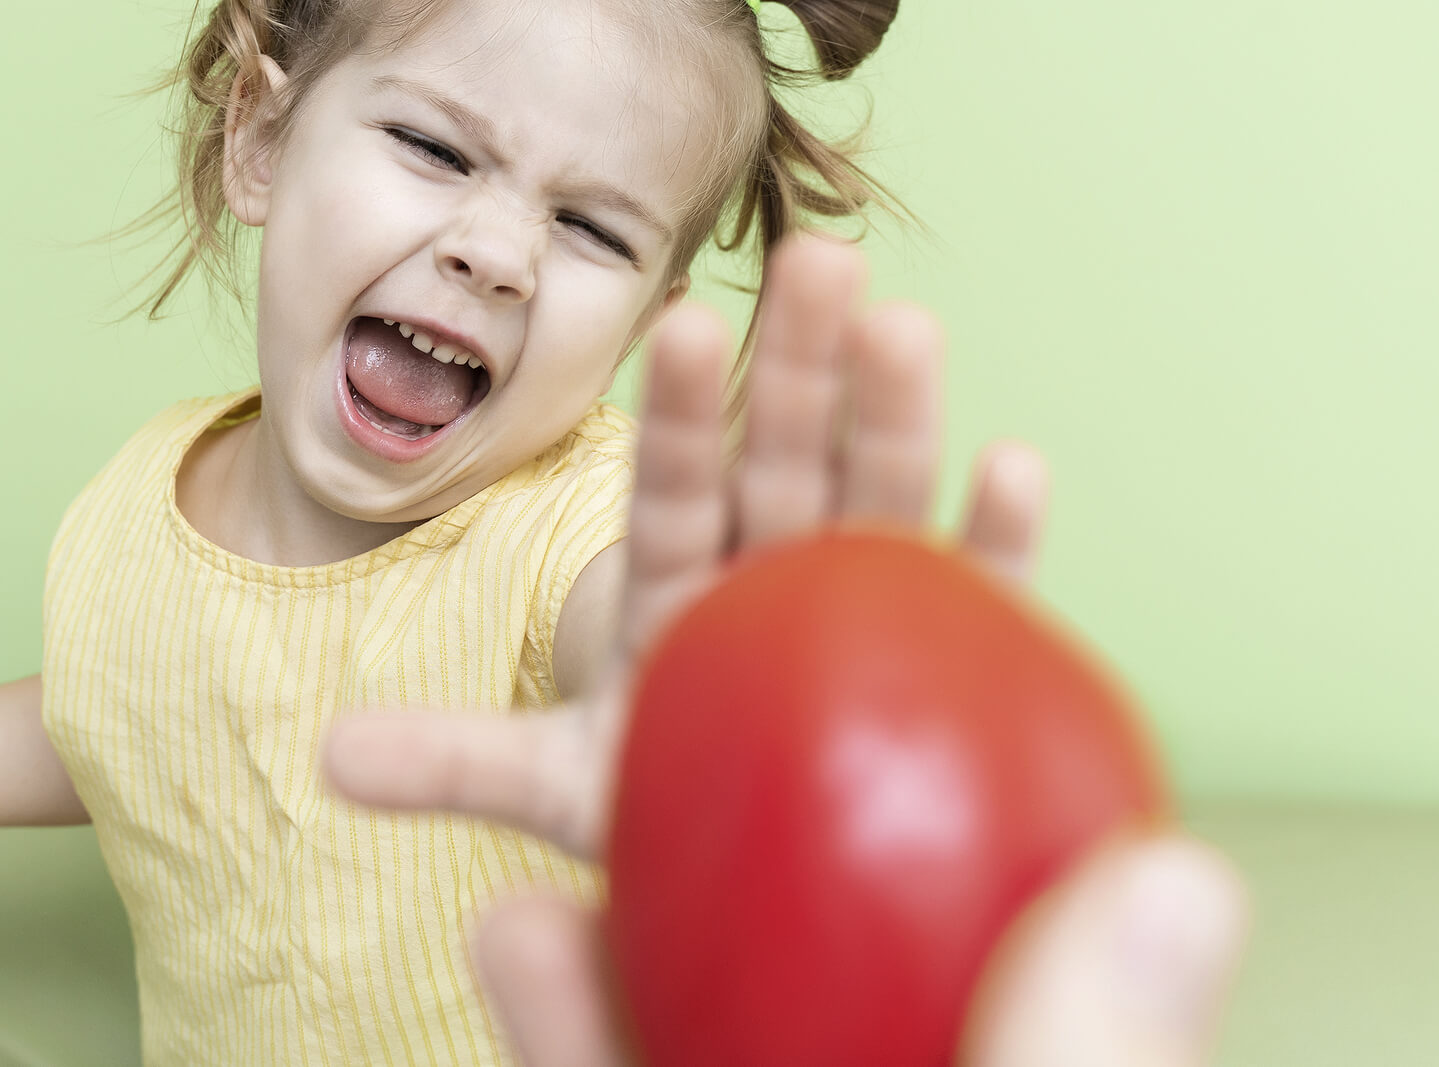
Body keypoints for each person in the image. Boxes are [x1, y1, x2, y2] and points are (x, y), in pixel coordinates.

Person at [0, 0, 1104, 1062]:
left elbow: (637, 635)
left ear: (649, 318)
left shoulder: (577, 529)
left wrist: (721, 677)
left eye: (588, 226)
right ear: (260, 135)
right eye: (435, 147)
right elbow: (127, 707)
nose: (496, 254)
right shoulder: (138, 489)